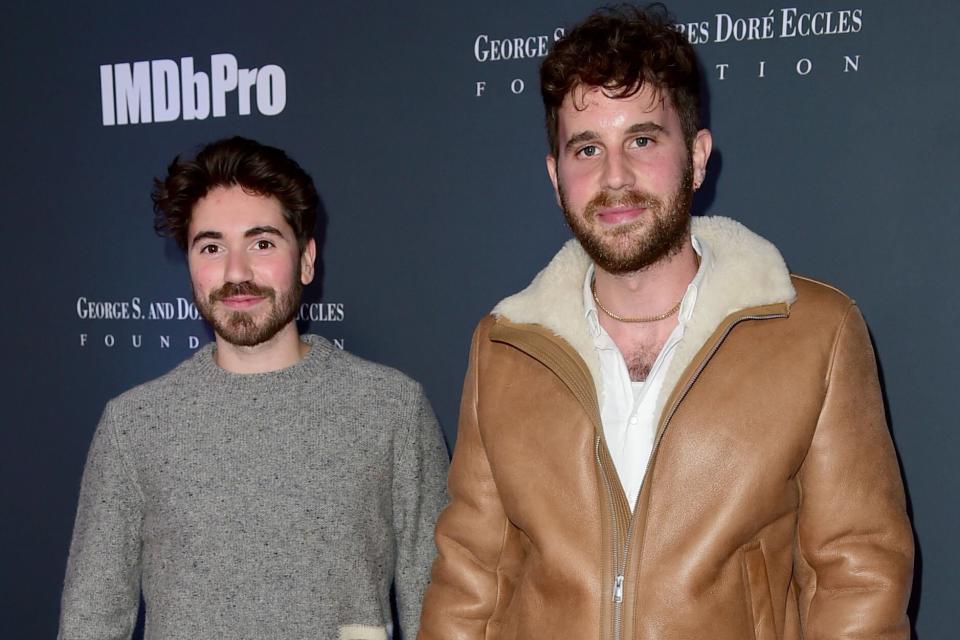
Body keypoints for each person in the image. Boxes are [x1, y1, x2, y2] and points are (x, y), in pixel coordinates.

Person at [418, 5, 913, 639]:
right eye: (587, 148)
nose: (614, 176)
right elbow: (470, 583)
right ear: (555, 175)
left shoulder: (814, 333)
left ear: (698, 157)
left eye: (643, 140)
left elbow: (859, 578)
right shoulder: (504, 346)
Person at [59, 136, 448, 640]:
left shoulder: (392, 409)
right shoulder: (134, 425)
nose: (236, 273)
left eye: (262, 243)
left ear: (307, 259)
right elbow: (91, 622)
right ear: (190, 266)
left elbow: (439, 608)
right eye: (212, 247)